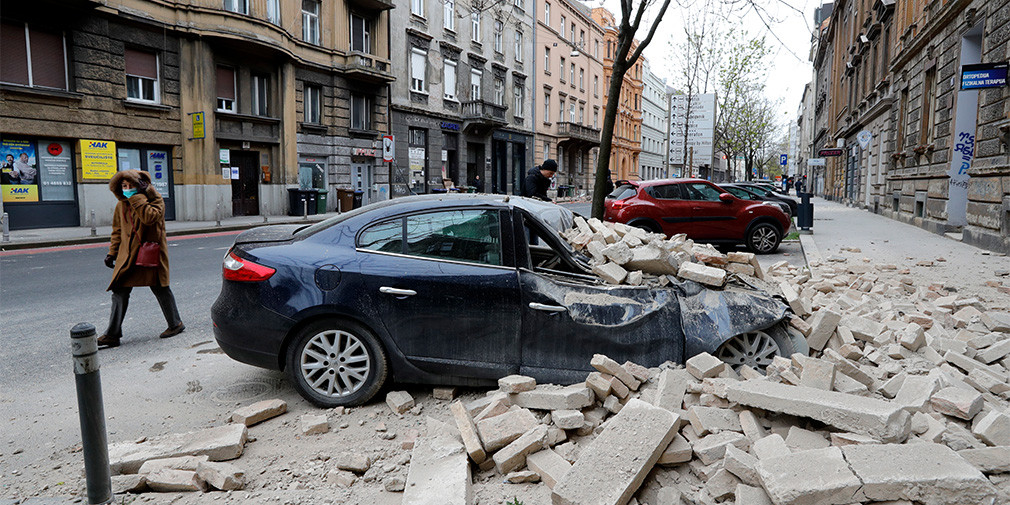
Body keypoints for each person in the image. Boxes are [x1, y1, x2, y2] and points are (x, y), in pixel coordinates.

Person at [98, 169, 184, 348]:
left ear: (141, 187)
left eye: (131, 185)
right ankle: (112, 334)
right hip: (128, 256)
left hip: (149, 253)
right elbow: (117, 231)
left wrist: (139, 197)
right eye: (123, 186)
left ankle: (175, 324)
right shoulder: (121, 205)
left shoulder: (156, 201)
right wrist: (112, 253)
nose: (127, 189)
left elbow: (149, 218)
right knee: (120, 290)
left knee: (160, 287)